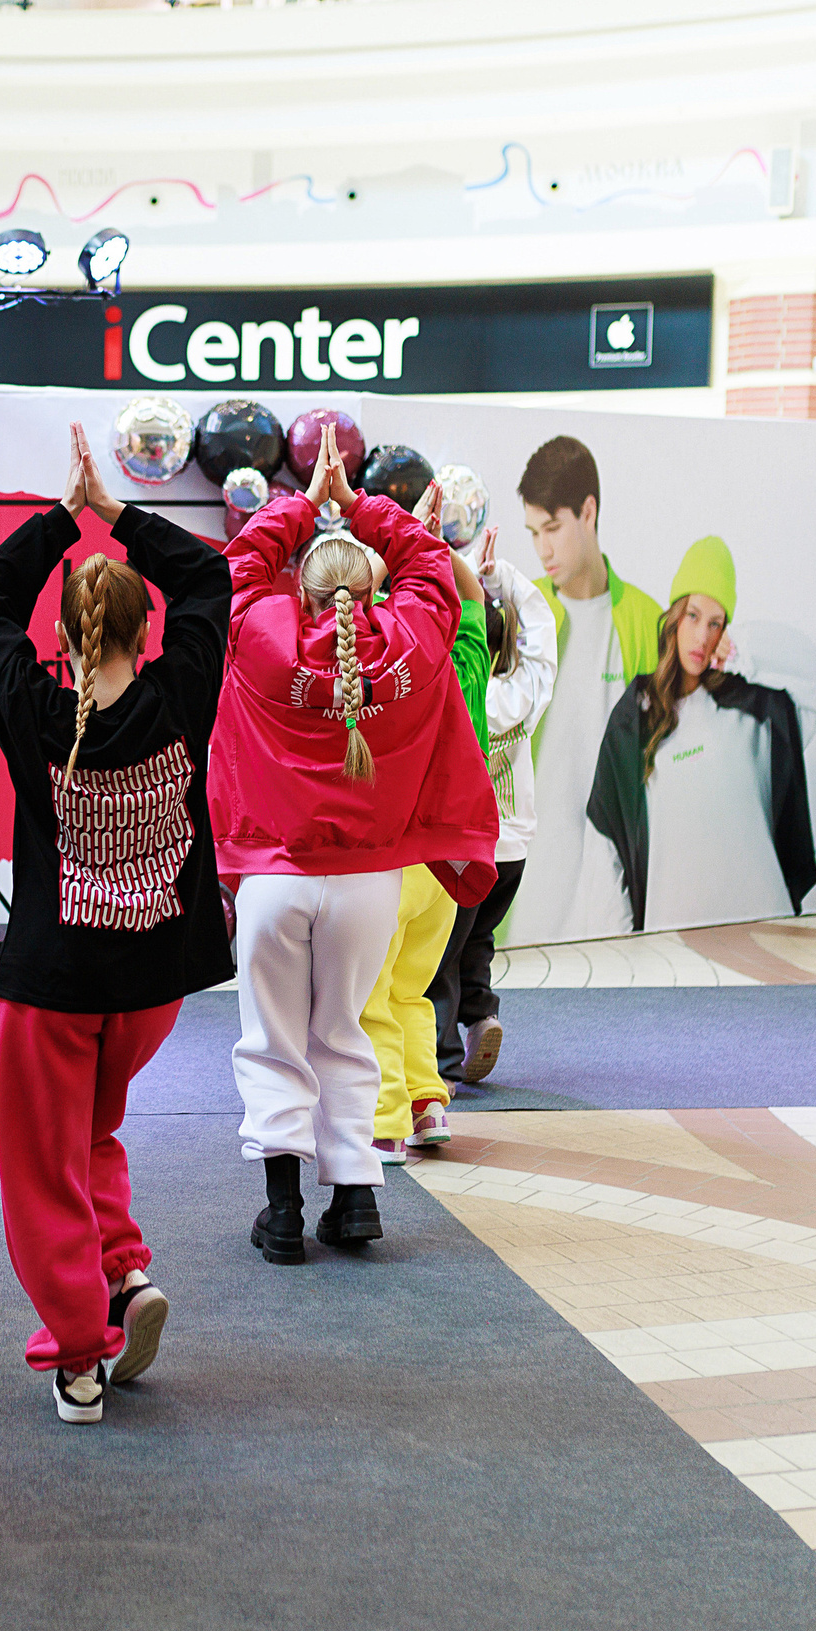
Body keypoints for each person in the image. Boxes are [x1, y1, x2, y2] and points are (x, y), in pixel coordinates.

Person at [0, 421, 231, 1425]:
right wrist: (117, 514)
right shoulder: (179, 693)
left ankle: (80, 1353)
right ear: (141, 630)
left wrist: (61, 521)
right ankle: (123, 1274)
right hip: (150, 989)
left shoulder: (28, 707)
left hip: (56, 988)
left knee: (40, 1169)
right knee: (92, 1134)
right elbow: (207, 579)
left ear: (68, 639)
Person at [211, 425, 497, 1266]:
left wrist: (306, 502)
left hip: (272, 881)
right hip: (370, 883)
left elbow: (239, 568)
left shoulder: (262, 635)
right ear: (372, 588)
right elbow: (431, 566)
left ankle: (283, 1212)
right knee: (346, 1030)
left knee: (274, 1038)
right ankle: (357, 1202)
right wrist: (363, 505)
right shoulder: (413, 638)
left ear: (298, 591)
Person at [578, 537, 816, 933]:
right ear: (674, 618)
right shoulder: (637, 714)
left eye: (716, 623)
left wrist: (746, 648)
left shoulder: (756, 708)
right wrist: (618, 948)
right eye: (693, 615)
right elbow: (605, 839)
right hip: (669, 940)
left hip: (764, 929)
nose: (702, 636)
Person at [357, 522, 496, 1154]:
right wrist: (433, 549)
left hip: (397, 860)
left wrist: (383, 560)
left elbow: (362, 614)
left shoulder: (390, 677)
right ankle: (429, 1104)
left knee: (372, 997)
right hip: (453, 866)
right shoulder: (467, 663)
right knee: (414, 989)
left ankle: (385, 1121)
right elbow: (473, 609)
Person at [506, 436, 661, 944]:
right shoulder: (519, 613)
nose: (543, 549)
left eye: (552, 528)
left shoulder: (647, 622)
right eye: (533, 533)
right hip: (525, 886)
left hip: (611, 886)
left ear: (588, 511)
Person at [429, 557, 557, 1088]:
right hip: (515, 850)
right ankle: (482, 1015)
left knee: (441, 950)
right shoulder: (525, 694)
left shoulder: (461, 688)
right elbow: (544, 637)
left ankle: (442, 1057)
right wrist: (503, 577)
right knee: (480, 938)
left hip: (467, 847)